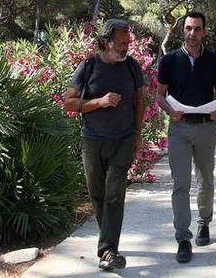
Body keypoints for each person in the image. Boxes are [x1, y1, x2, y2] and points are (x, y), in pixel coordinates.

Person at [63, 19, 145, 272]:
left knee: (114, 194)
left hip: (123, 139)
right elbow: (69, 102)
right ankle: (108, 242)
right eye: (121, 44)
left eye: (127, 44)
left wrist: (138, 135)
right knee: (97, 194)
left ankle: (108, 250)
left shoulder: (132, 66)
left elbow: (139, 100)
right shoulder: (88, 66)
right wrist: (99, 102)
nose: (126, 49)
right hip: (93, 141)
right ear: (106, 42)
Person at [155, 11, 216, 263]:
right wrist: (170, 111)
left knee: (206, 180)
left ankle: (204, 223)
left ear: (204, 31)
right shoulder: (169, 61)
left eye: (197, 29)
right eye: (188, 28)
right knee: (181, 183)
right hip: (179, 129)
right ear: (182, 30)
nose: (192, 33)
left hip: (206, 127)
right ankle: (183, 238)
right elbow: (159, 95)